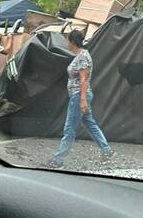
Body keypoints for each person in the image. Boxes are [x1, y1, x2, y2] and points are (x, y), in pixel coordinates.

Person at [48, 29, 114, 168]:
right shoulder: (80, 55)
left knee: (69, 128)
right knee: (90, 123)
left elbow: (84, 79)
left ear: (72, 41)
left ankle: (58, 160)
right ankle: (106, 150)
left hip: (79, 95)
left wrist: (83, 100)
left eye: (68, 40)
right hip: (79, 95)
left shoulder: (83, 56)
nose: (67, 43)